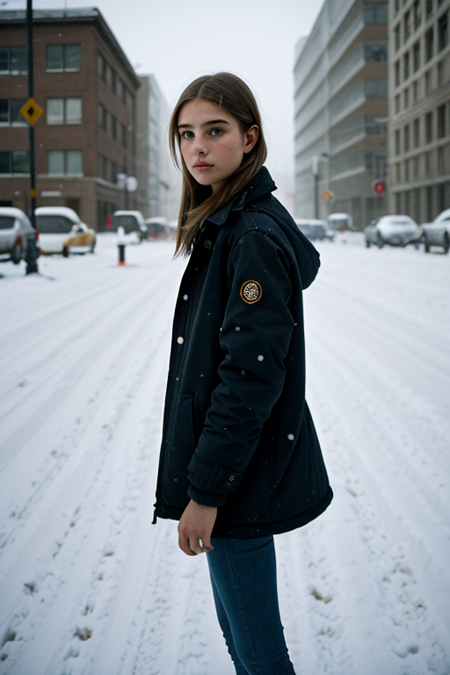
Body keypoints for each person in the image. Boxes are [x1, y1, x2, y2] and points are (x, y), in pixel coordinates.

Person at [153, 72, 333, 675]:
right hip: (238, 475)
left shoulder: (250, 234)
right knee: (246, 646)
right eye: (186, 134)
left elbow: (250, 379)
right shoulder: (228, 224)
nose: (197, 148)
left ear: (250, 138)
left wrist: (206, 494)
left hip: (237, 484)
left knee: (257, 655)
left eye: (215, 131)